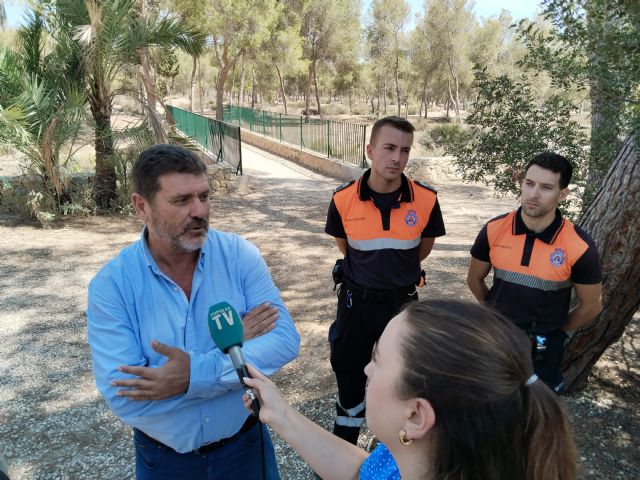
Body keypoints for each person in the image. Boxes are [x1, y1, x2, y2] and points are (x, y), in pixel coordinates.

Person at [87, 144, 300, 479]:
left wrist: (188, 376)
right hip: (166, 462)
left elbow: (285, 341)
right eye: (182, 200)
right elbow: (127, 396)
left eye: (204, 196)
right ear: (142, 206)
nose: (200, 210)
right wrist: (233, 346)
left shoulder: (239, 256)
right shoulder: (112, 286)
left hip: (245, 448)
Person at [243, 299, 578, 480]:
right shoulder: (413, 456)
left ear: (416, 416)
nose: (366, 369)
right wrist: (282, 414)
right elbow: (364, 472)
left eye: (377, 360)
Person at [324, 116, 446, 444]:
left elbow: (422, 249)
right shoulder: (342, 199)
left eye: (404, 150)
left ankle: (393, 449)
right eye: (389, 148)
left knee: (404, 380)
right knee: (349, 379)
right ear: (370, 150)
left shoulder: (426, 200)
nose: (397, 158)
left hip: (402, 303)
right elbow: (347, 247)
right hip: (355, 304)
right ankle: (343, 449)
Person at [467, 151, 603, 392]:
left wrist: (558, 330)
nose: (533, 194)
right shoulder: (494, 229)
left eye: (546, 188)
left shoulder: (578, 245)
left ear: (562, 194)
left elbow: (592, 306)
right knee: (491, 404)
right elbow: (474, 279)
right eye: (529, 184)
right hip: (497, 339)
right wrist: (493, 313)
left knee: (536, 413)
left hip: (544, 348)